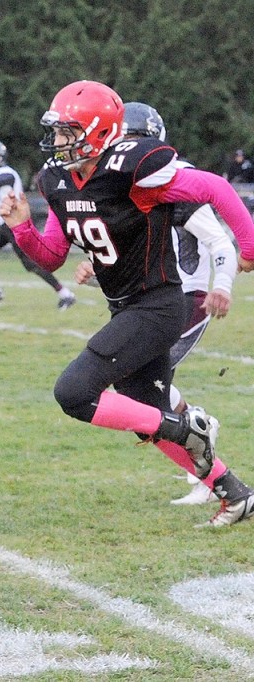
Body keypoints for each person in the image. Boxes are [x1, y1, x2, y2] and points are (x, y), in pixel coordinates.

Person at [1, 80, 254, 528]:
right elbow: (53, 255)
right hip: (126, 306)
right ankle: (235, 494)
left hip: (157, 306)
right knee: (145, 416)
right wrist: (22, 228)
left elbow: (215, 187)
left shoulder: (130, 169)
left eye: (66, 131)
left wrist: (248, 247)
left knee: (74, 392)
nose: (57, 141)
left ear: (98, 132)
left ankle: (186, 428)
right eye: (56, 131)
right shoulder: (58, 179)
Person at [74, 100, 240, 507]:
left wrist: (223, 285)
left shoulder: (168, 181)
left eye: (134, 139)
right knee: (145, 392)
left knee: (144, 391)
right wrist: (97, 269)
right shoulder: (121, 186)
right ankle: (203, 449)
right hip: (152, 298)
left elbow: (219, 241)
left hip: (184, 298)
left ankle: (202, 444)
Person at [0, 139, 77, 309]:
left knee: (32, 264)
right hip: (2, 226)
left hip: (14, 225)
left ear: (1, 157)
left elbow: (2, 181)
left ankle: (65, 293)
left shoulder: (4, 172)